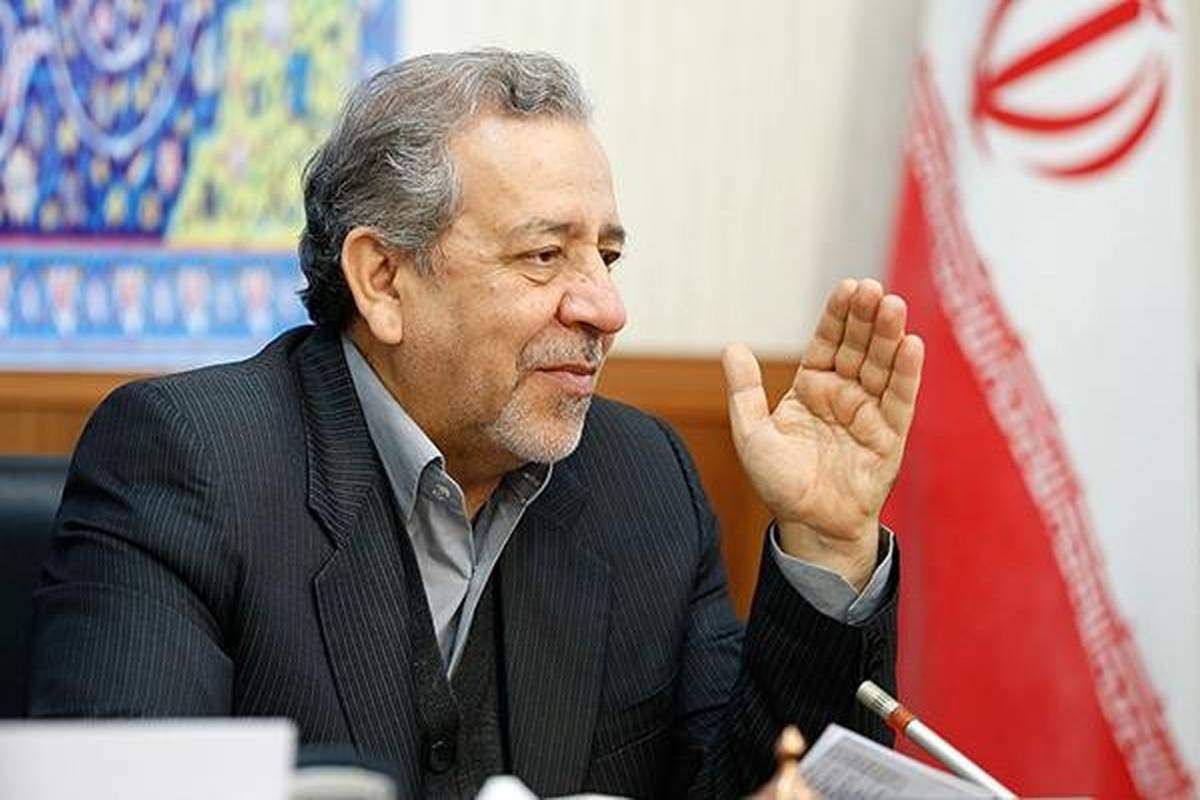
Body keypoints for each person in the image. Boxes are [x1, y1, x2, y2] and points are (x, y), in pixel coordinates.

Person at [28, 50, 924, 798]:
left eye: (607, 257)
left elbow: (759, 784)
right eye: (545, 255)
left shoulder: (643, 479)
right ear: (383, 280)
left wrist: (824, 544)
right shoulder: (191, 463)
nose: (606, 308)